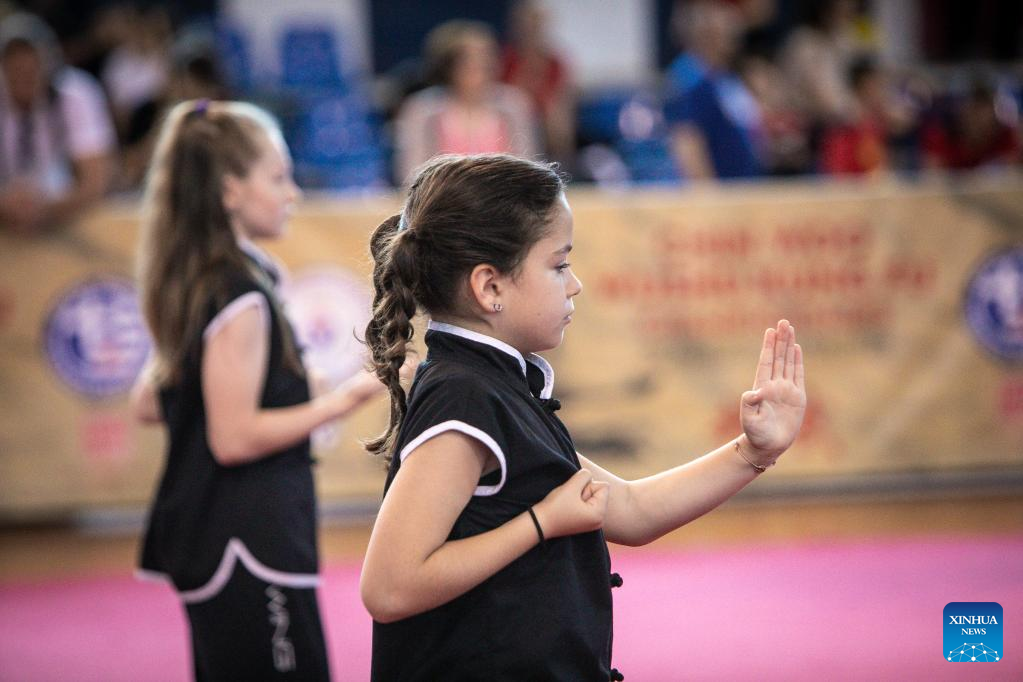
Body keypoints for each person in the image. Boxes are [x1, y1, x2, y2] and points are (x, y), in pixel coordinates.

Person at [359, 153, 807, 680]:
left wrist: (754, 451)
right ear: (490, 287)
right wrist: (540, 523)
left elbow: (631, 510)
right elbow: (389, 588)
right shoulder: (465, 397)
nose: (575, 284)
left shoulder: (497, 386)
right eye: (559, 265)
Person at [131, 99, 390, 680]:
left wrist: (316, 384)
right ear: (230, 191)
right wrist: (344, 399)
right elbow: (233, 437)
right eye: (278, 178)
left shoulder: (208, 279)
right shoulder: (236, 292)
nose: (292, 193)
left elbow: (151, 400)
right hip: (246, 541)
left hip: (229, 533)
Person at [0, 12, 115, 234]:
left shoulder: (77, 93)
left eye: (31, 71)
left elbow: (96, 180)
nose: (24, 79)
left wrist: (44, 208)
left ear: (50, 64)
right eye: (15, 72)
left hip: (67, 221)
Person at [393, 20, 538, 185]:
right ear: (449, 65)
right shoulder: (422, 110)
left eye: (488, 56)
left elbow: (530, 169)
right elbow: (412, 175)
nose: (482, 65)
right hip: (444, 198)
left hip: (505, 198)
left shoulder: (514, 105)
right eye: (469, 59)